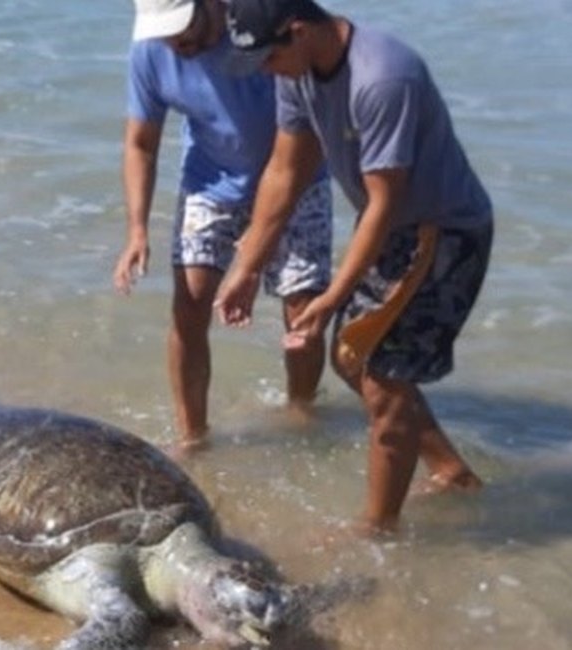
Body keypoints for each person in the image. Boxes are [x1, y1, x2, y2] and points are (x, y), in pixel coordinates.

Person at [216, 0, 493, 534]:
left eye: (268, 59)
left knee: (384, 378)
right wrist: (248, 266)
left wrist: (331, 297)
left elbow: (385, 202)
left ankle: (377, 531)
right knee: (351, 358)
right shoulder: (296, 71)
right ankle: (452, 473)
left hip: (443, 232)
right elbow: (285, 169)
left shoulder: (384, 77)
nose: (265, 72)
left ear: (297, 31)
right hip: (393, 230)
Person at [115, 0, 334, 455]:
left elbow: (304, 139)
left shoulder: (259, 28)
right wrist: (137, 229)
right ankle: (193, 438)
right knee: (189, 305)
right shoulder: (151, 53)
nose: (180, 44)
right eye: (168, 34)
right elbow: (140, 143)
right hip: (211, 180)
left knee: (302, 310)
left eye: (186, 28)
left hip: (296, 174)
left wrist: (254, 249)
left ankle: (301, 414)